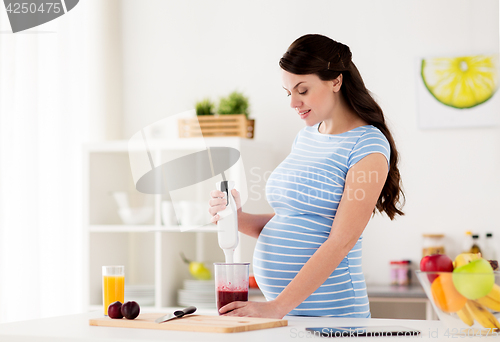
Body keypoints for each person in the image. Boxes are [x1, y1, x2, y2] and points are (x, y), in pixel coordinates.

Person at [208, 34, 404, 319]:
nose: (293, 103)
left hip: (332, 320)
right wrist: (236, 216)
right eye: (289, 93)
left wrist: (276, 307)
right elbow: (294, 220)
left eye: (303, 90)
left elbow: (341, 241)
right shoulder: (306, 137)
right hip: (290, 315)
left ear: (336, 80)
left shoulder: (367, 145)